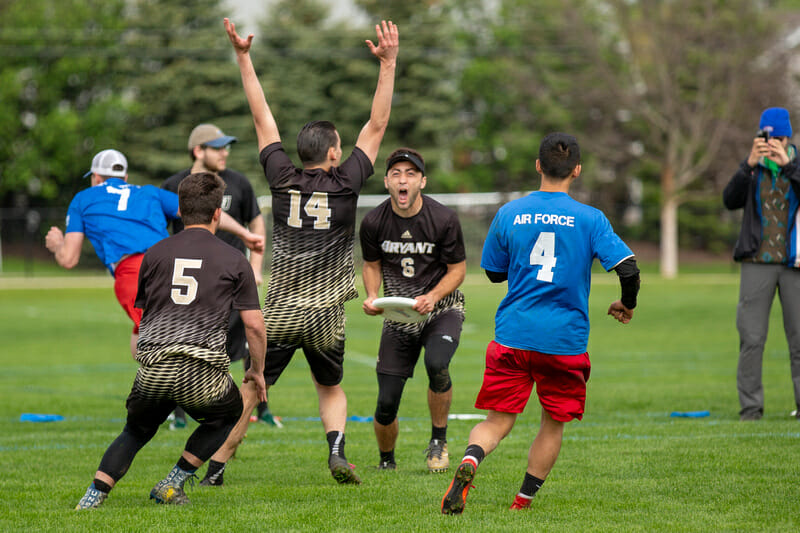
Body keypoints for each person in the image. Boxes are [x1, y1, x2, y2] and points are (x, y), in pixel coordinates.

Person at [199, 17, 399, 487]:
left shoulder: (280, 176)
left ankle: (216, 468)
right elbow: (378, 122)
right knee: (330, 386)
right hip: (327, 311)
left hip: (284, 310)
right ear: (333, 154)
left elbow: (261, 116)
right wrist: (387, 65)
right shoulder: (347, 181)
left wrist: (244, 57)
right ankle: (336, 451)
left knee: (253, 387)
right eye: (340, 146)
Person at [440, 133, 640, 514]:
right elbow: (629, 269)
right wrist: (626, 303)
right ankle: (521, 503)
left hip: (514, 335)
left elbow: (494, 273)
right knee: (553, 423)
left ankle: (469, 462)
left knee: (497, 420)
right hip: (564, 342)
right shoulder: (590, 218)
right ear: (577, 170)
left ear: (538, 166)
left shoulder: (510, 212)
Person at [74, 172, 267, 509]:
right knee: (228, 412)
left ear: (179, 209)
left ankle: (93, 496)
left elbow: (145, 313)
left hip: (155, 368)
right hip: (202, 372)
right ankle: (172, 482)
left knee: (136, 430)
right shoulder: (235, 260)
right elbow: (254, 326)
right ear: (217, 213)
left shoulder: (155, 253)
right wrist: (258, 372)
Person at [45, 149, 263, 358]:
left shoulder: (84, 198)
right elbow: (202, 209)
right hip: (171, 265)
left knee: (168, 347)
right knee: (140, 344)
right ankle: (155, 389)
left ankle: (202, 390)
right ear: (125, 177)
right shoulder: (149, 192)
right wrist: (245, 234)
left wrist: (57, 245)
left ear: (96, 177)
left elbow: (68, 258)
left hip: (135, 272)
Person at [163, 123, 276, 430]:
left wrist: (255, 267)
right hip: (192, 283)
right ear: (198, 150)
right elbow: (161, 232)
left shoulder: (237, 183)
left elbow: (256, 223)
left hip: (233, 279)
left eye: (227, 146)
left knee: (248, 341)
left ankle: (261, 408)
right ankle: (179, 414)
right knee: (184, 344)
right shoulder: (174, 184)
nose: (225, 152)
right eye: (218, 147)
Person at [360, 148, 466, 473]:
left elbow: (458, 270)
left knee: (437, 364)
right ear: (386, 181)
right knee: (387, 402)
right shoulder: (374, 221)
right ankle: (386, 461)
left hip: (441, 309)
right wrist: (372, 296)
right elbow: (371, 264)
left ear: (422, 180)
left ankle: (438, 441)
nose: (402, 180)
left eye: (410, 174)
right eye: (396, 173)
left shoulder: (444, 218)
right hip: (400, 316)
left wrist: (433, 296)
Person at [723, 106, 800, 422]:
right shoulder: (752, 168)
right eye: (765, 137)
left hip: (795, 262)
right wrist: (748, 164)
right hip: (757, 262)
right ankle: (751, 407)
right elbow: (730, 200)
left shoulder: (796, 163)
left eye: (776, 138)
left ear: (787, 137)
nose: (771, 143)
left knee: (798, 339)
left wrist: (789, 166)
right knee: (752, 338)